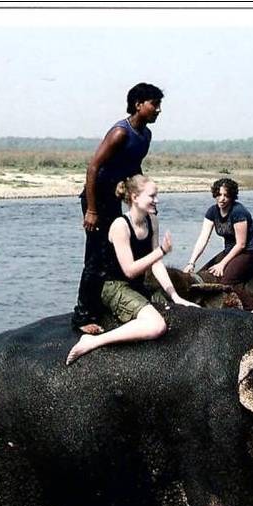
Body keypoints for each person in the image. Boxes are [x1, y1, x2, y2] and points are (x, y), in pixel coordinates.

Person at [66, 175, 198, 365]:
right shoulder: (120, 226)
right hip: (114, 286)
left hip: (137, 286)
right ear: (135, 197)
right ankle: (93, 341)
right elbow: (129, 270)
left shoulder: (152, 221)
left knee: (180, 309)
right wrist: (161, 251)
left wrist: (175, 296)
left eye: (157, 195)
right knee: (156, 326)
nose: (157, 200)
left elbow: (156, 263)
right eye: (152, 196)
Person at [71, 82, 164, 336]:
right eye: (154, 104)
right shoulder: (120, 133)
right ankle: (82, 314)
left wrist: (143, 197)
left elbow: (134, 170)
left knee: (120, 248)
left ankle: (118, 294)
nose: (158, 110)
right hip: (97, 198)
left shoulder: (145, 135)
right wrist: (91, 210)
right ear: (138, 105)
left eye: (159, 105)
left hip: (116, 197)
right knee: (96, 255)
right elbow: (92, 168)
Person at [181, 178, 253, 309]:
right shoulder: (212, 211)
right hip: (229, 250)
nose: (222, 199)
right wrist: (191, 263)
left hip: (249, 251)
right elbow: (203, 238)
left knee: (227, 281)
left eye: (226, 195)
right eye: (219, 194)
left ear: (232, 196)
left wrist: (222, 264)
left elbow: (241, 244)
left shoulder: (238, 212)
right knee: (203, 274)